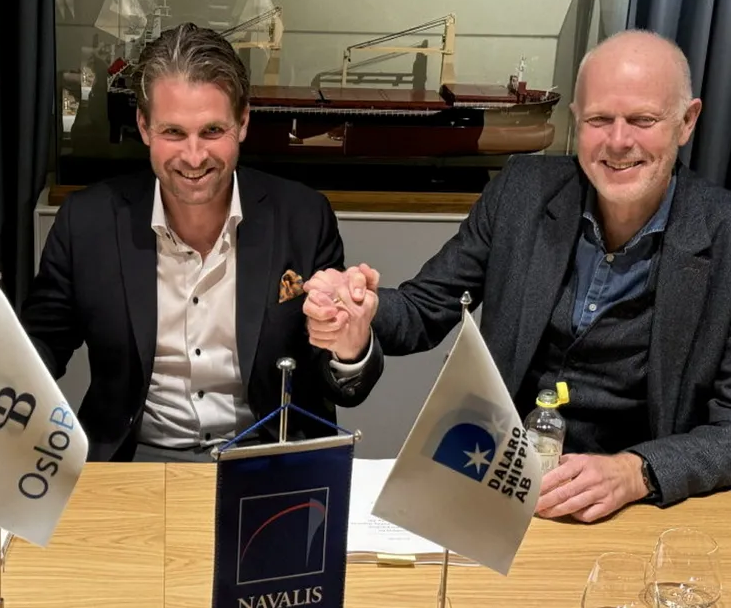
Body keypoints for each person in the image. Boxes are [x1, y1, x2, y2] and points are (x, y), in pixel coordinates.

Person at [303, 29, 731, 522]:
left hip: (640, 510)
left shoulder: (723, 235)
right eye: (599, 120)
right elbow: (424, 308)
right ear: (576, 119)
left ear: (687, 121)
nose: (618, 141)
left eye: (642, 120)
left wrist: (637, 471)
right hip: (500, 484)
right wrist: (364, 309)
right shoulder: (521, 193)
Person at [21, 22, 383, 462]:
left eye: (212, 131)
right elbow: (39, 349)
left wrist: (350, 347)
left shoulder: (303, 217)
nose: (194, 157)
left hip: (266, 459)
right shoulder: (86, 222)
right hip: (135, 460)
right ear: (144, 126)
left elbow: (340, 385)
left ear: (243, 123)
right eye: (173, 132)